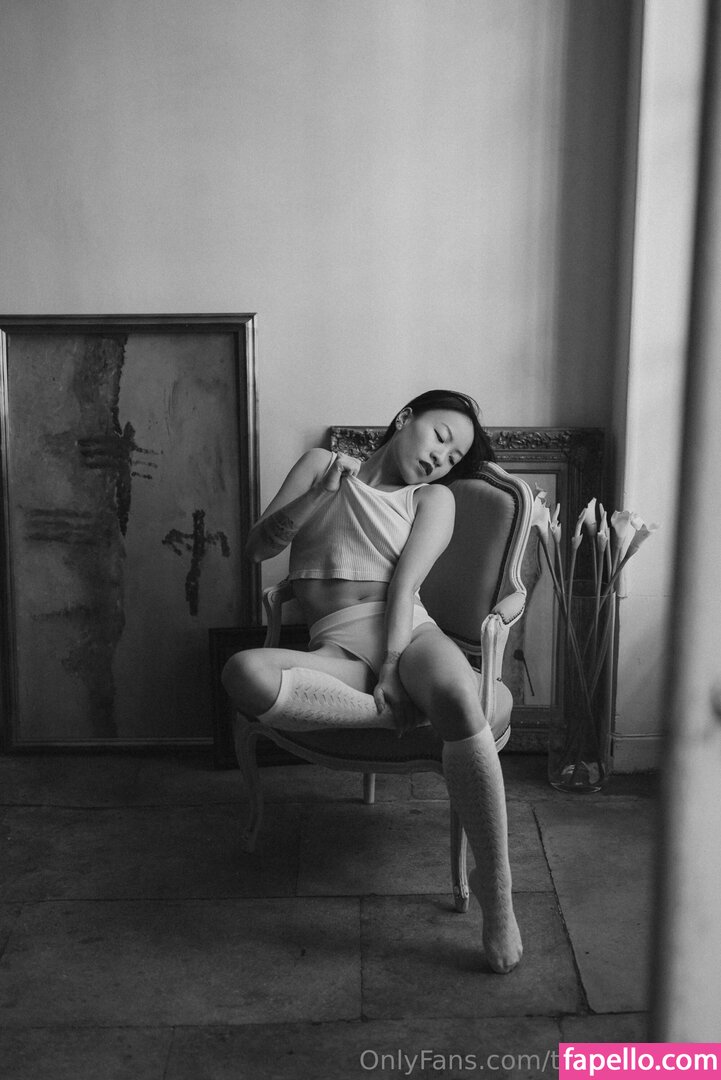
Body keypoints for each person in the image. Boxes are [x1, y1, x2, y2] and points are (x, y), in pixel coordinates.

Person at [222, 389, 522, 973]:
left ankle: (498, 894)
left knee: (458, 697)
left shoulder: (432, 498)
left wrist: (392, 665)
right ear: (406, 418)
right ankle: (394, 711)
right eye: (440, 437)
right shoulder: (320, 464)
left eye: (454, 457)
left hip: (406, 634)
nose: (441, 459)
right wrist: (320, 495)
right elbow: (256, 549)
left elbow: (406, 586)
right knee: (243, 672)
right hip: (334, 647)